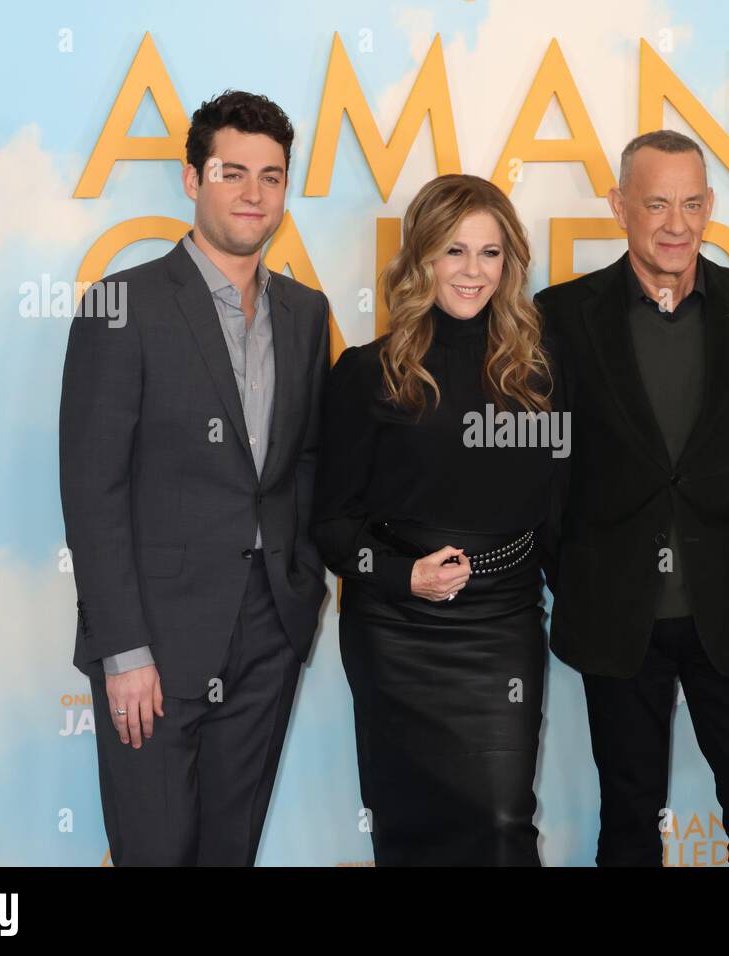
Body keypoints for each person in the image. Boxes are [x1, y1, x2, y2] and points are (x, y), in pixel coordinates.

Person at [59, 90, 331, 865]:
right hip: (155, 643)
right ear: (191, 178)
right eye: (232, 172)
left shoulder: (306, 315)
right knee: (154, 852)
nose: (253, 194)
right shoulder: (124, 305)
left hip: (268, 632)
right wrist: (123, 650)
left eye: (272, 176)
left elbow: (303, 463)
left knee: (229, 854)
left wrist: (299, 593)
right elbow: (93, 491)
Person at [534, 130, 729, 866]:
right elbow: (548, 472)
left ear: (710, 206)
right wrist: (582, 573)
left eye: (690, 203)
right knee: (627, 825)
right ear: (619, 207)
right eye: (655, 203)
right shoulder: (560, 315)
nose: (676, 223)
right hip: (616, 619)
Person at [311, 173, 563, 866]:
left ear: (509, 263)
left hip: (503, 625)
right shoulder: (369, 372)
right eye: (454, 251)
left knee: (505, 823)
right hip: (395, 632)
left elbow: (559, 508)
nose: (472, 271)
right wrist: (400, 575)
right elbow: (331, 521)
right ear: (421, 258)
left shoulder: (540, 376)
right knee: (410, 832)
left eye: (490, 253)